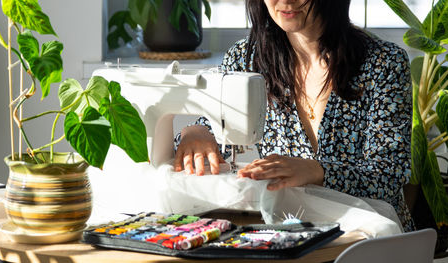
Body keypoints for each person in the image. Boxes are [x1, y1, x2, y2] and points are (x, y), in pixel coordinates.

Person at [173, 0, 414, 231]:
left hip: (373, 235)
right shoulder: (245, 60)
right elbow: (220, 128)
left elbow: (389, 175)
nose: (285, 1)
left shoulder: (384, 63)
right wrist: (196, 131)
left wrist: (318, 172)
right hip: (294, 233)